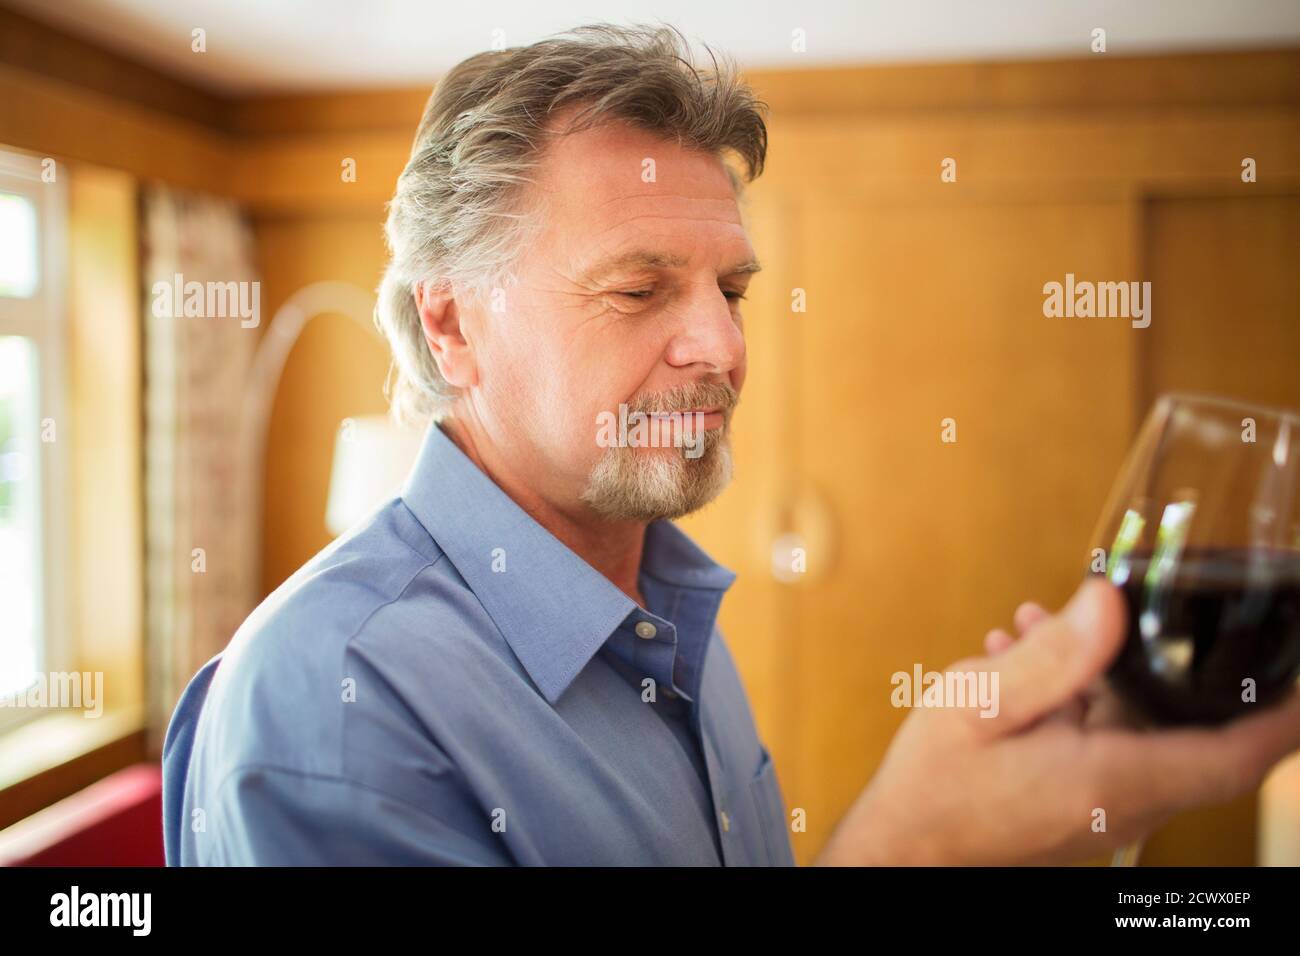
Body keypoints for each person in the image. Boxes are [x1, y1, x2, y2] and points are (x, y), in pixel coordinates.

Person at [162, 23, 1300, 866]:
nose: (719, 344)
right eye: (640, 287)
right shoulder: (328, 703)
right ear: (453, 323)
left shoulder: (665, 614)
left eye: (731, 289)